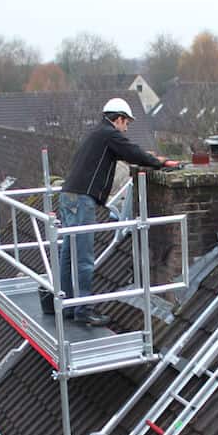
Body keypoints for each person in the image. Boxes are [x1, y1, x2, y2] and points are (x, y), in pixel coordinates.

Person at [48, 98, 180, 326]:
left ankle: (67, 305)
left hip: (68, 195)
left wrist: (145, 155)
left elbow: (125, 151)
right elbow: (131, 152)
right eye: (126, 123)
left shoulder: (96, 133)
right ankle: (83, 309)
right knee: (83, 257)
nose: (126, 128)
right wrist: (159, 162)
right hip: (82, 200)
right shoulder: (109, 133)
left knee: (68, 254)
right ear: (118, 119)